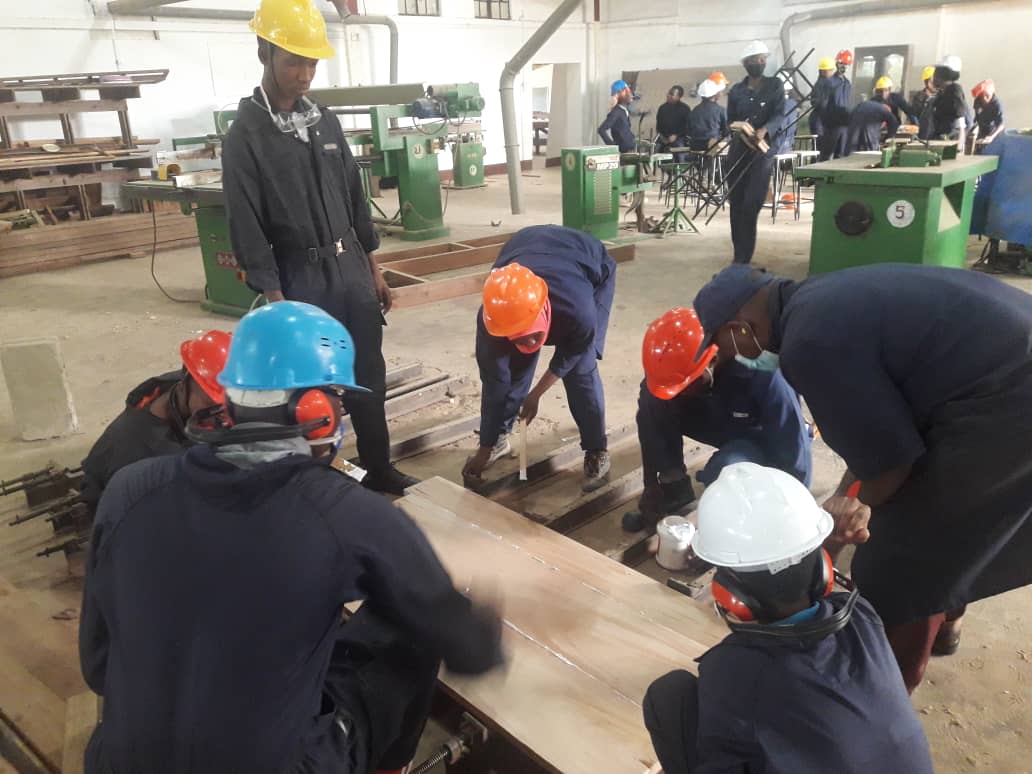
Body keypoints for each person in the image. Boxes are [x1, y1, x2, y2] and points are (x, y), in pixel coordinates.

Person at [79, 301, 505, 774]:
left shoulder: (129, 489)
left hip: (119, 763)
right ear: (314, 408)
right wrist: (478, 612)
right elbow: (472, 651)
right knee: (411, 633)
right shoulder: (346, 513)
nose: (340, 413)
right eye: (338, 400)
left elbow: (98, 666)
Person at [692, 262, 1032, 692]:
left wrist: (830, 536)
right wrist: (842, 501)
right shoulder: (819, 298)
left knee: (903, 559)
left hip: (1011, 401)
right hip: (1001, 369)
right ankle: (947, 623)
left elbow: (891, 465)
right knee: (952, 533)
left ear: (741, 328)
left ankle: (886, 687)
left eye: (722, 343)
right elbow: (874, 436)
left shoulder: (809, 344)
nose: (730, 356)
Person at [221, 0, 416, 495]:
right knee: (307, 381)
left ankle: (377, 468)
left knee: (367, 372)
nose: (304, 74)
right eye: (293, 61)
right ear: (264, 52)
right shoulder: (246, 135)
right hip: (298, 278)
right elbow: (245, 220)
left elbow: (355, 197)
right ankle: (312, 480)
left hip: (349, 267)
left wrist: (374, 271)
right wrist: (274, 297)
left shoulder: (324, 123)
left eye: (311, 62)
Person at [642, 462, 934, 774]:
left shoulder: (734, 671)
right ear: (823, 572)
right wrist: (832, 541)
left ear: (730, 597)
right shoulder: (862, 615)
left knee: (669, 699)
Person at [621, 308, 811, 533]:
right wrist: (651, 484)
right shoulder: (675, 368)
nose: (678, 393)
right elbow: (651, 422)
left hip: (759, 434)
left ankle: (732, 524)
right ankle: (674, 490)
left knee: (725, 469)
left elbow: (794, 450)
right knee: (654, 402)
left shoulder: (764, 372)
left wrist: (793, 517)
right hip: (715, 416)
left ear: (711, 360)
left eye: (686, 385)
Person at [462, 226, 616, 492]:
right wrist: (484, 448)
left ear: (544, 310)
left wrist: (536, 394)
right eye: (517, 337)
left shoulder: (578, 309)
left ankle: (596, 449)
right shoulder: (493, 319)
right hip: (526, 245)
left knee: (581, 371)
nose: (526, 344)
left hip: (585, 260)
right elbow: (495, 384)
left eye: (531, 335)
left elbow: (574, 350)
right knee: (511, 371)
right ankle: (500, 437)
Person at [80, 330, 230, 517]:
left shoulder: (182, 384)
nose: (225, 416)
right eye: (211, 405)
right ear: (183, 387)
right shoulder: (141, 451)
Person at [725, 40, 786, 264]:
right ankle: (738, 255)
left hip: (762, 152)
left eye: (763, 59)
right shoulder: (736, 91)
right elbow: (729, 120)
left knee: (752, 204)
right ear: (746, 64)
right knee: (737, 205)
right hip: (739, 151)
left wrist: (765, 129)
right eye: (755, 60)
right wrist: (739, 130)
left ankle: (743, 256)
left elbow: (780, 115)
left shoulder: (775, 86)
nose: (760, 62)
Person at [813, 50, 853, 160]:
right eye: (841, 64)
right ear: (836, 64)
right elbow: (822, 105)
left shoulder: (847, 83)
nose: (843, 66)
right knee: (826, 155)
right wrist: (825, 123)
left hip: (844, 125)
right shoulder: (829, 83)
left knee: (841, 155)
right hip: (831, 126)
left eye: (845, 64)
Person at [928, 54, 969, 147]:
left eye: (936, 73)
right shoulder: (941, 94)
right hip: (939, 141)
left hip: (950, 143)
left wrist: (958, 149)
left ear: (944, 74)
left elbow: (960, 125)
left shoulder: (954, 91)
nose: (933, 76)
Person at [688, 78, 728, 151]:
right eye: (720, 92)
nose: (721, 93)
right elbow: (726, 131)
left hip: (695, 146)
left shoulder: (694, 110)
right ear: (715, 94)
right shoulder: (720, 110)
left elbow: (689, 130)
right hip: (712, 147)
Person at [598, 79, 636, 153]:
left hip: (630, 152)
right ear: (620, 94)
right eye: (628, 91)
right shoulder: (617, 112)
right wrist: (613, 147)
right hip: (624, 154)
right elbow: (601, 130)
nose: (631, 94)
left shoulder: (623, 111)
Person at [655, 85, 691, 159]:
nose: (668, 95)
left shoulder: (685, 109)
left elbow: (688, 127)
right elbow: (658, 126)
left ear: (678, 97)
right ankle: (654, 170)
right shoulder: (662, 108)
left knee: (680, 151)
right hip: (663, 138)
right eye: (669, 93)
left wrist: (676, 136)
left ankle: (681, 169)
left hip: (679, 138)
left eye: (672, 94)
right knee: (654, 149)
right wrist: (662, 137)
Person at [807, 58, 834, 148]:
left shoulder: (819, 84)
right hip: (820, 120)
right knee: (821, 145)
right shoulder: (825, 84)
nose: (831, 72)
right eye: (829, 70)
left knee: (818, 147)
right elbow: (821, 103)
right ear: (822, 71)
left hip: (818, 119)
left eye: (831, 70)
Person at [971, 79, 1005, 147]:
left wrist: (991, 137)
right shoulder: (978, 101)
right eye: (981, 96)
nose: (983, 99)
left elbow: (1001, 124)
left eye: (986, 96)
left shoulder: (997, 105)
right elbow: (976, 118)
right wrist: (972, 130)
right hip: (981, 132)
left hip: (994, 134)